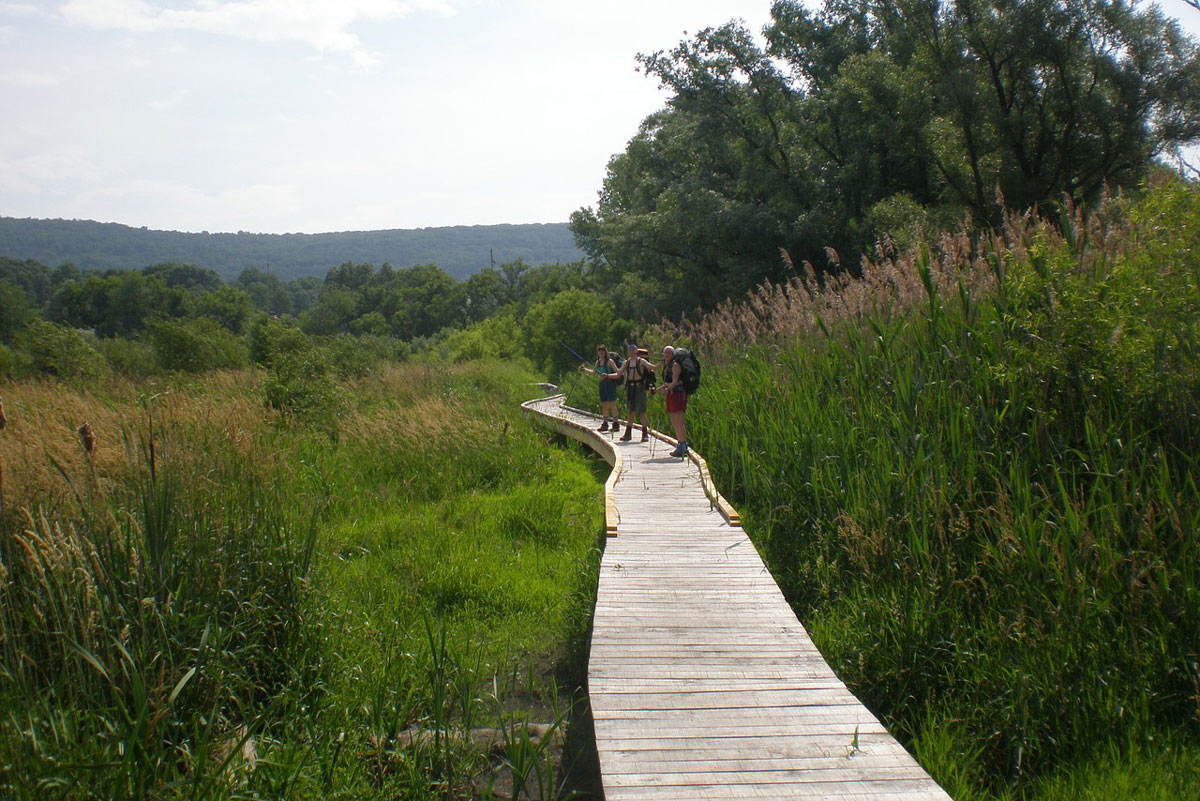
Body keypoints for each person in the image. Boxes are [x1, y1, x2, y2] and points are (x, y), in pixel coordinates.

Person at [655, 345, 689, 457]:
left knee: (679, 421)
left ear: (673, 354)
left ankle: (683, 447)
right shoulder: (668, 365)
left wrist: (667, 390)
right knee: (674, 421)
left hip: (678, 394)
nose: (667, 354)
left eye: (669, 352)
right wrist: (657, 390)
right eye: (665, 352)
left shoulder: (675, 365)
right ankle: (680, 445)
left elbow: (675, 381)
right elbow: (667, 382)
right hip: (672, 394)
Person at [578, 345, 620, 431]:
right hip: (602, 384)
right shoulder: (598, 362)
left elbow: (618, 373)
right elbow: (593, 373)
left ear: (605, 352)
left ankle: (616, 424)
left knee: (612, 404)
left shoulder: (610, 361)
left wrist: (607, 375)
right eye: (599, 351)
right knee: (604, 404)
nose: (601, 352)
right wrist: (584, 369)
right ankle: (605, 424)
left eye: (602, 351)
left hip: (610, 384)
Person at [617, 343, 652, 442]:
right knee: (630, 411)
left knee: (642, 412)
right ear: (628, 351)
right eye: (630, 350)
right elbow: (619, 373)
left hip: (639, 387)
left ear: (636, 351)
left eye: (633, 349)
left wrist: (663, 362)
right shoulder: (626, 362)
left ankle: (645, 435)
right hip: (630, 388)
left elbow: (652, 367)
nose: (631, 351)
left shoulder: (641, 361)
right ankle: (628, 434)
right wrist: (607, 375)